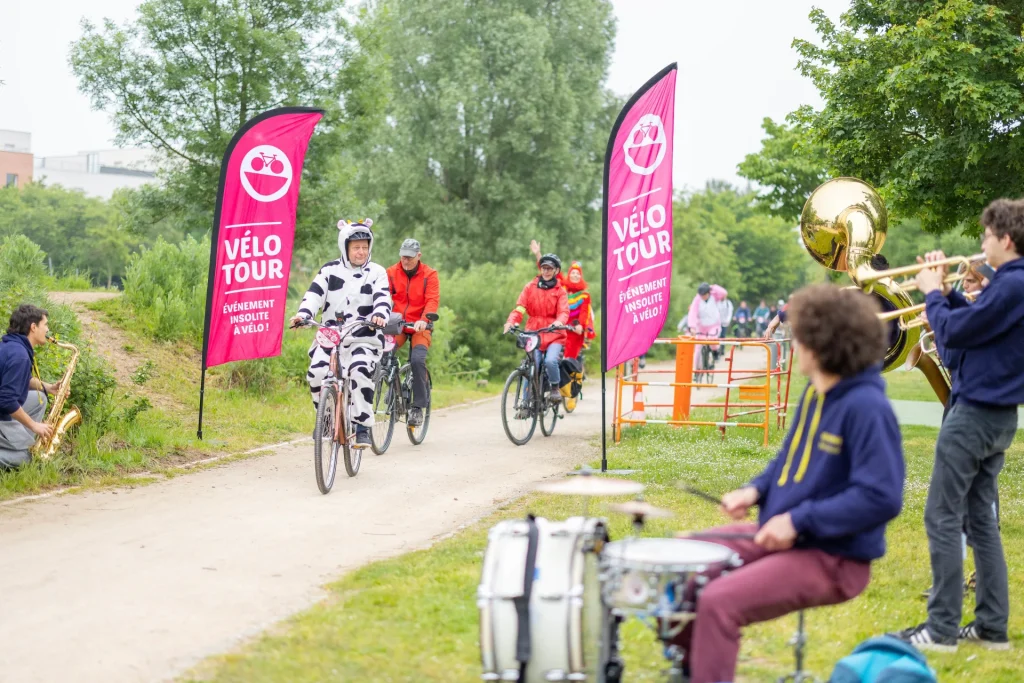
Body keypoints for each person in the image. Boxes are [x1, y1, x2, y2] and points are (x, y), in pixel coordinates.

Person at [668, 284, 903, 683]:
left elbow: (881, 496)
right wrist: (756, 490)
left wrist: (798, 521)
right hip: (794, 535)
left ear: (823, 344)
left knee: (719, 603)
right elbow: (788, 460)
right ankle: (690, 671)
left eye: (798, 335)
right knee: (686, 559)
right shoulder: (816, 393)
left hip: (835, 556)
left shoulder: (867, 407)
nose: (791, 342)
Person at [891, 198, 1024, 652]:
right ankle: (990, 626)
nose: (982, 243)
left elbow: (955, 334)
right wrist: (945, 293)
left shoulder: (1013, 285)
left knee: (942, 515)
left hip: (975, 415)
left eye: (987, 235)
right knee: (978, 521)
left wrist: (930, 293)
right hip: (995, 414)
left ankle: (941, 628)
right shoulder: (1009, 286)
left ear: (1005, 239)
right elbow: (968, 332)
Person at [291, 219, 392, 449]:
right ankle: (326, 419)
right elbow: (314, 295)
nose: (361, 252)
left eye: (365, 247)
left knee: (360, 370)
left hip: (363, 336)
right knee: (316, 373)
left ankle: (362, 426)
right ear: (345, 247)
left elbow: (383, 297)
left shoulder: (377, 272)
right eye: (356, 247)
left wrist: (379, 314)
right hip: (331, 336)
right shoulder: (329, 270)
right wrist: (303, 315)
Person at [385, 238, 440, 427]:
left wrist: (424, 320)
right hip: (398, 324)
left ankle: (417, 407)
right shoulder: (391, 273)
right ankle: (391, 384)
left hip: (420, 326)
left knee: (417, 360)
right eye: (403, 257)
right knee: (384, 351)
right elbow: (383, 297)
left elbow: (432, 300)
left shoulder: (430, 275)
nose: (405, 261)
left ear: (418, 256)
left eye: (409, 257)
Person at [503, 253, 569, 406]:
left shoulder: (560, 291)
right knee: (533, 363)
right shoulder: (530, 287)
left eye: (550, 269)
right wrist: (511, 322)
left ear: (556, 271)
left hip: (554, 334)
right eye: (544, 268)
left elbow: (564, 312)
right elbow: (520, 308)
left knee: (551, 361)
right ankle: (526, 403)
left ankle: (554, 388)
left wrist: (559, 322)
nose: (546, 271)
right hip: (533, 333)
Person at [0, 305, 58, 469]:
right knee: (26, 458)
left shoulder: (11, 346)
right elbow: (6, 401)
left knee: (38, 399)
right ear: (33, 327)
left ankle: (21, 442)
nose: (47, 329)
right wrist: (34, 426)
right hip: (2, 412)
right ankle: (22, 449)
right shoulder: (19, 356)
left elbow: (21, 379)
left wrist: (49, 387)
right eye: (45, 325)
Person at [528, 240, 594, 361]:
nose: (575, 275)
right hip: (557, 327)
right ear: (569, 275)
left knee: (569, 359)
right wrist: (538, 254)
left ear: (581, 276)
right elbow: (547, 270)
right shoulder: (562, 286)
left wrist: (580, 325)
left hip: (574, 328)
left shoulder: (584, 295)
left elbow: (584, 313)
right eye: (573, 273)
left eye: (577, 274)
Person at [680, 282, 721, 373]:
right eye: (701, 295)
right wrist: (692, 327)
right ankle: (697, 370)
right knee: (698, 347)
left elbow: (724, 293)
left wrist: (713, 287)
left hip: (713, 325)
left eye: (704, 295)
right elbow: (692, 313)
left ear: (708, 293)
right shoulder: (697, 300)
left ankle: (715, 352)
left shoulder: (715, 296)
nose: (703, 297)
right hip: (701, 326)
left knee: (712, 339)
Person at [711, 285, 733, 359]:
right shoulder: (717, 302)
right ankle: (716, 349)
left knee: (722, 336)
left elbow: (730, 312)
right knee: (716, 336)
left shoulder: (728, 303)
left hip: (724, 322)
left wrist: (727, 321)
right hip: (716, 322)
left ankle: (722, 350)